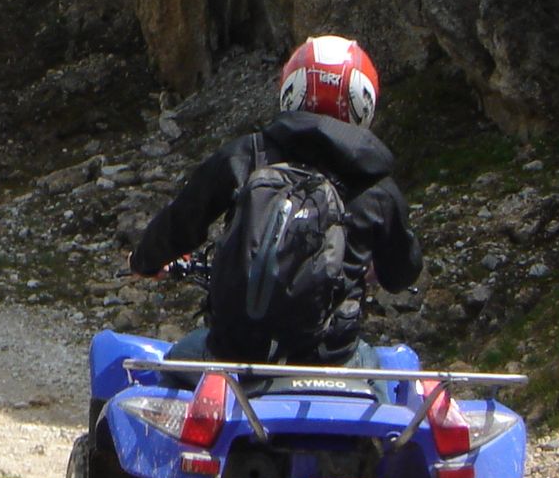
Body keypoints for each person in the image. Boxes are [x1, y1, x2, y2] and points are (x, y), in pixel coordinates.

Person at [129, 36, 421, 367]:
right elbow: (401, 274)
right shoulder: (376, 186)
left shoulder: (247, 155)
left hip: (235, 352)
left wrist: (144, 262)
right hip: (331, 360)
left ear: (292, 91)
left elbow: (181, 222)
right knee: (386, 377)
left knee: (169, 369)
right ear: (364, 102)